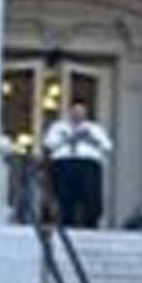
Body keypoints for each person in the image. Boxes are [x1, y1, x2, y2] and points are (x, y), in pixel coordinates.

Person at [42, 98, 112, 228]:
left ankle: (91, 223)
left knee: (90, 196)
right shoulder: (58, 127)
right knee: (65, 195)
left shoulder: (94, 128)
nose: (78, 114)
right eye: (75, 111)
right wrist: (67, 139)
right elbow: (49, 144)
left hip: (88, 165)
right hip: (64, 164)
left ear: (86, 113)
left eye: (81, 111)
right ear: (69, 111)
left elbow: (107, 146)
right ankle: (66, 222)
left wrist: (90, 138)